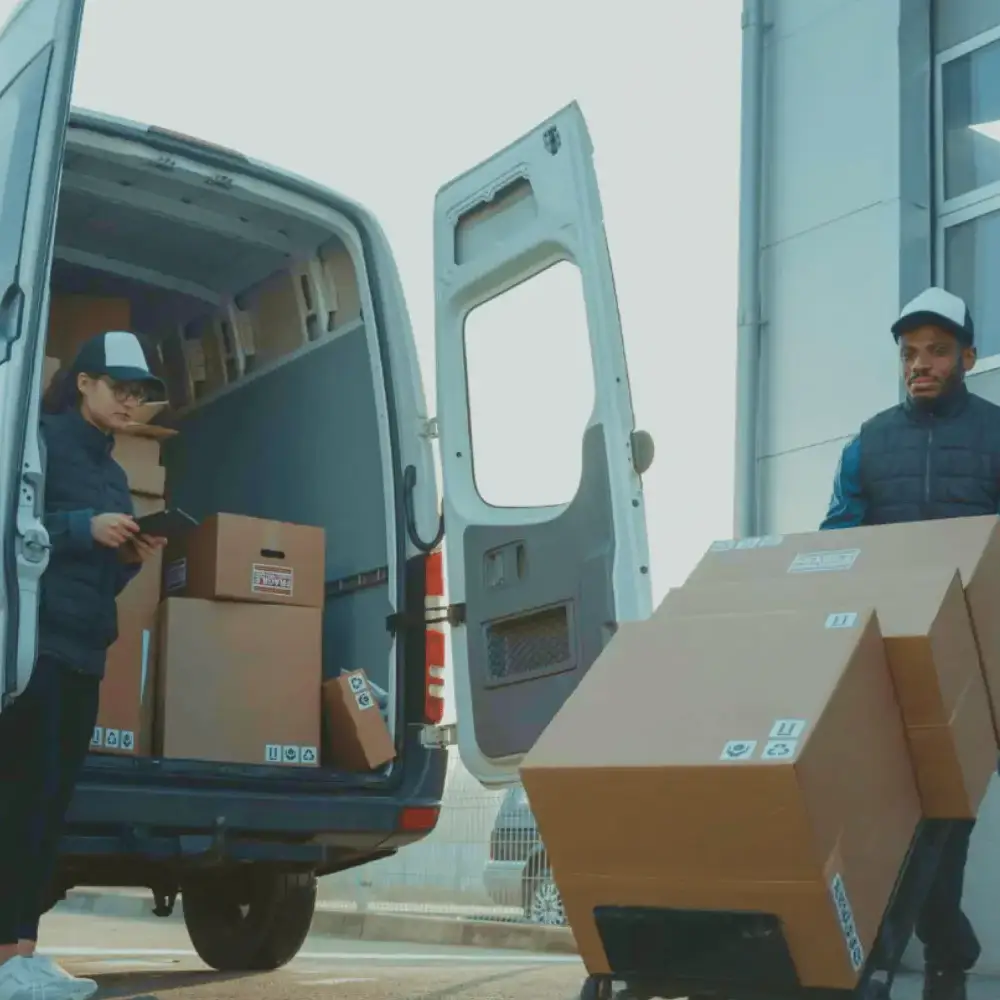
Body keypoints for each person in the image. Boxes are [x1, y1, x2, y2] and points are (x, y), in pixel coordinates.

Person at [819, 286, 999, 1000]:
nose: (920, 365)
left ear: (968, 358)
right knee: (919, 812)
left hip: (976, 658)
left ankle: (929, 952)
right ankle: (943, 948)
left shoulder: (996, 434)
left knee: (945, 813)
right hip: (889, 652)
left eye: (936, 352)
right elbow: (839, 537)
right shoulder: (869, 443)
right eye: (909, 354)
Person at [0, 331, 168, 1000]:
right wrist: (81, 529)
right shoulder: (34, 441)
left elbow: (102, 578)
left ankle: (22, 954)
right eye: (119, 387)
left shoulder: (115, 473)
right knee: (14, 802)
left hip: (84, 653)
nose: (131, 401)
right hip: (31, 651)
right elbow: (12, 523)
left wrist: (127, 560)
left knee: (47, 807)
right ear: (83, 383)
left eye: (140, 393)